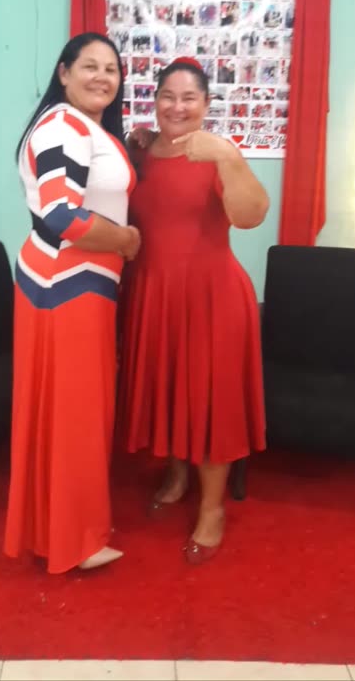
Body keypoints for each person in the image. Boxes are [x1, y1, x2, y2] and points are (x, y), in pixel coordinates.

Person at [118, 57, 269, 565]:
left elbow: (250, 216)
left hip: (212, 297)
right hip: (153, 292)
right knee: (168, 388)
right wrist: (137, 142)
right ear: (154, 101)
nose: (177, 106)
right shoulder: (141, 152)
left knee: (209, 401)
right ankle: (178, 473)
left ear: (206, 104)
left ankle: (212, 509)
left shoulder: (218, 152)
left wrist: (228, 155)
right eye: (168, 96)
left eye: (189, 98)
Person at [4, 32, 140, 574]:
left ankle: (56, 529)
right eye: (89, 66)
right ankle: (76, 540)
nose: (102, 77)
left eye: (111, 69)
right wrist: (126, 240)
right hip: (70, 285)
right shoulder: (63, 125)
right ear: (63, 73)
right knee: (77, 414)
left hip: (69, 282)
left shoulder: (84, 127)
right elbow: (62, 216)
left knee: (62, 411)